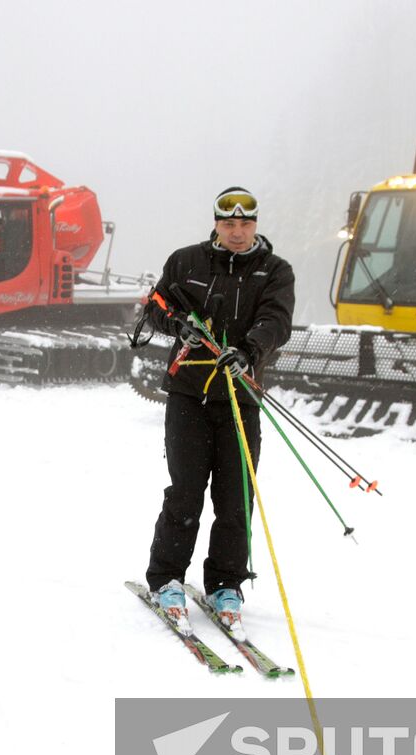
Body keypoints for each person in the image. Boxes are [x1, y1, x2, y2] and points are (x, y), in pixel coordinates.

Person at [140, 187, 295, 639]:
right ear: (216, 224)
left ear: (256, 224)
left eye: (245, 224)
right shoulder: (186, 262)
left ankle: (226, 584)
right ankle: (167, 579)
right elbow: (155, 307)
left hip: (240, 399)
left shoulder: (275, 271)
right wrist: (177, 326)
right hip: (188, 394)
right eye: (229, 224)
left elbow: (276, 321)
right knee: (186, 492)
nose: (237, 232)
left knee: (235, 496)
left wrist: (248, 350)